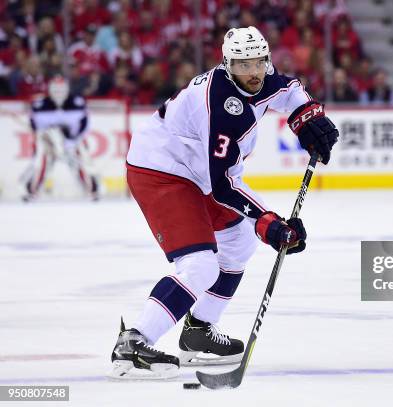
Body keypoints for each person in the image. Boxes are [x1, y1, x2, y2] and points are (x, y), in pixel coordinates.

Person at [109, 26, 339, 379]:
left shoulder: (263, 76)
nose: (253, 73)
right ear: (227, 65)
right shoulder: (223, 109)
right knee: (200, 266)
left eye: (259, 62)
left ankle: (199, 331)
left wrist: (307, 116)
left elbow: (289, 90)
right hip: (161, 170)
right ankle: (134, 341)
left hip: (195, 171)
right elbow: (224, 187)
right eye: (243, 65)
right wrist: (269, 222)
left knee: (239, 242)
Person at [23, 75, 99, 201]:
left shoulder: (77, 103)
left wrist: (73, 140)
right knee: (42, 160)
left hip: (72, 141)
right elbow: (34, 127)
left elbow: (85, 124)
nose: (58, 93)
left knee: (80, 160)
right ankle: (32, 190)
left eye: (61, 90)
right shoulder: (39, 105)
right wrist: (46, 137)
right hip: (49, 143)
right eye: (56, 90)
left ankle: (91, 189)